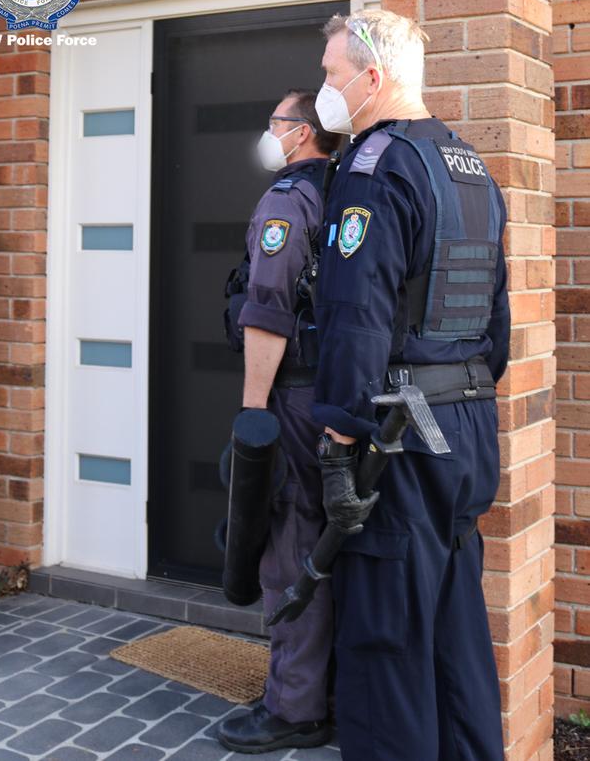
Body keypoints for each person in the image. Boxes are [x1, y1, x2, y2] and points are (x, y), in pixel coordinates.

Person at [310, 10, 510, 761]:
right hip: (465, 426)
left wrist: (337, 443)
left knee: (385, 643)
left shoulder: (375, 167)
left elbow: (354, 315)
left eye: (332, 75)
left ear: (372, 77)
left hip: (396, 435)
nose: (327, 89)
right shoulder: (470, 168)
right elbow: (498, 324)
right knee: (456, 637)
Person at [219, 89, 341, 754]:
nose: (268, 133)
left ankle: (293, 706)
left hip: (293, 396)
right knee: (328, 545)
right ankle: (327, 693)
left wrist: (252, 412)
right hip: (338, 400)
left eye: (275, 122)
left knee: (291, 543)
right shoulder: (349, 190)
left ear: (299, 134)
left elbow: (266, 308)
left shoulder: (287, 203)